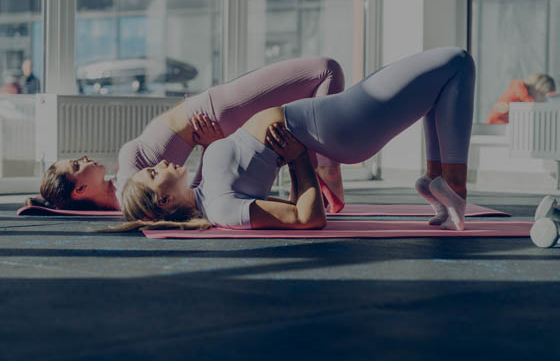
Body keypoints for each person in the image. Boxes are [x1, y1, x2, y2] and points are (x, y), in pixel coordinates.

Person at [120, 46, 475, 232]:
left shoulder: (202, 192)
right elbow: (308, 218)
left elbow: (287, 197)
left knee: (437, 87)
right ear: (164, 201)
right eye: (151, 174)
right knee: (457, 62)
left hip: (328, 122)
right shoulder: (222, 208)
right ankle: (455, 185)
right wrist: (297, 157)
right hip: (337, 129)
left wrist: (212, 143)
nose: (158, 165)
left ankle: (436, 181)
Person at [29, 57, 346, 211]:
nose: (83, 158)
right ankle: (326, 168)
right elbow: (195, 195)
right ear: (81, 190)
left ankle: (322, 167)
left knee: (313, 88)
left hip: (214, 107)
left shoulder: (121, 184)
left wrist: (39, 202)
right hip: (218, 112)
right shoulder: (131, 192)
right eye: (75, 165)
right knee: (325, 71)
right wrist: (209, 145)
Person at [486, 72, 556, 125]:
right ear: (536, 89)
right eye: (542, 95)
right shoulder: (519, 96)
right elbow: (495, 118)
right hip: (497, 128)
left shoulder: (519, 92)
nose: (543, 100)